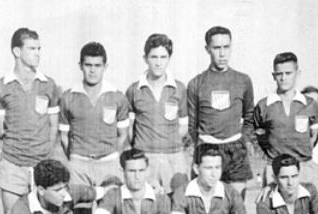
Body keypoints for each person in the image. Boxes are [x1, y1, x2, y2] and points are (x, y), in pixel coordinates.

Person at [0, 27, 61, 214]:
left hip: (40, 167)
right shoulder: (1, 86)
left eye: (39, 48)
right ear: (16, 51)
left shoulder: (49, 85)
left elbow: (53, 127)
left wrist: (44, 157)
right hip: (13, 164)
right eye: (32, 49)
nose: (38, 53)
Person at [187, 26, 254, 198]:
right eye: (217, 48)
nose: (222, 53)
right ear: (207, 49)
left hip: (235, 149)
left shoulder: (243, 80)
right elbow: (192, 124)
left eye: (226, 47)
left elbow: (249, 116)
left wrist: (243, 140)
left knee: (236, 206)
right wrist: (204, 143)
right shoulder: (196, 83)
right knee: (207, 207)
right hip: (207, 147)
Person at [59, 42, 129, 186]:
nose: (92, 70)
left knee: (110, 207)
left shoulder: (117, 96)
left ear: (105, 67)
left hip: (109, 163)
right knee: (80, 208)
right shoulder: (68, 97)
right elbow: (64, 137)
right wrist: (75, 157)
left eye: (97, 66)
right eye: (88, 65)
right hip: (79, 164)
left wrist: (113, 155)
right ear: (80, 66)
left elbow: (123, 135)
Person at [126, 33, 188, 193]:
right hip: (145, 157)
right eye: (154, 57)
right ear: (145, 58)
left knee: (177, 207)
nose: (159, 63)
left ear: (169, 58)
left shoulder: (179, 89)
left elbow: (183, 129)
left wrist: (167, 144)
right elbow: (130, 131)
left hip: (173, 158)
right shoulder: (134, 90)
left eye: (163, 57)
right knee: (146, 208)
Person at [253, 53, 318, 189]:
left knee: (310, 208)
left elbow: (314, 136)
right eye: (279, 74)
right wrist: (269, 155)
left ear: (297, 73)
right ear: (273, 76)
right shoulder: (263, 105)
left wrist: (301, 151)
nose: (283, 78)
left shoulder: (310, 104)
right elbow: (255, 136)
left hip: (304, 167)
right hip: (275, 168)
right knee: (276, 208)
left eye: (288, 73)